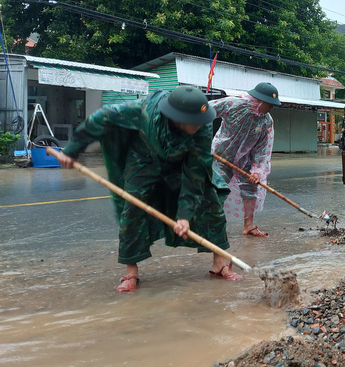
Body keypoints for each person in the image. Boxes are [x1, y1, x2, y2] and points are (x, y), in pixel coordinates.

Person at [56, 86, 241, 292]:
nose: (199, 125)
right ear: (176, 117)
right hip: (144, 158)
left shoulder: (203, 125)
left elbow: (195, 173)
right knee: (133, 208)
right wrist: (72, 149)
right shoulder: (141, 110)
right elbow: (100, 118)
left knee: (210, 201)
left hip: (182, 162)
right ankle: (131, 271)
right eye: (194, 122)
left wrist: (184, 215)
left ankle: (219, 262)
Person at [211, 82, 281, 237]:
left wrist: (257, 171)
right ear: (260, 101)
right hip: (222, 155)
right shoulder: (233, 104)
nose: (271, 108)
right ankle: (211, 225)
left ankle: (248, 226)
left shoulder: (266, 121)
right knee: (217, 188)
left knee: (251, 189)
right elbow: (205, 110)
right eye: (270, 104)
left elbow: (263, 150)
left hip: (245, 160)